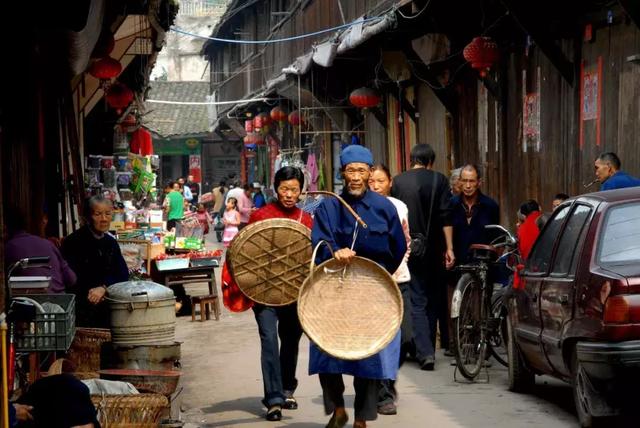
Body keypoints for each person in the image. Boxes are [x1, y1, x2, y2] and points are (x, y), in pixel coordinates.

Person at [311, 145, 406, 428]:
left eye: (361, 171)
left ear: (369, 173)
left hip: (370, 292)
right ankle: (338, 409)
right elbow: (319, 240)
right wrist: (335, 251)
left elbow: (398, 247)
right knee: (325, 351)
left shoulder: (384, 207)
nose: (355, 177)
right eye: (350, 171)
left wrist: (378, 277)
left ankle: (361, 419)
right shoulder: (328, 206)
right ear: (342, 173)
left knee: (368, 356)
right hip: (333, 291)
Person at [246, 166, 313, 422]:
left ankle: (287, 389)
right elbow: (246, 253)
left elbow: (312, 255)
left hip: (294, 292)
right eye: (284, 189)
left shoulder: (305, 220)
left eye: (294, 189)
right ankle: (273, 399)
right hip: (263, 292)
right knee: (269, 341)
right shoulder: (260, 216)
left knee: (291, 340)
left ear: (300, 191)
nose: (289, 194)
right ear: (276, 189)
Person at [391, 143, 454, 370]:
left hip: (408, 247)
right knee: (431, 297)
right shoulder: (440, 180)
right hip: (434, 247)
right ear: (430, 161)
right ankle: (424, 347)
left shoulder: (398, 182)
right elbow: (446, 216)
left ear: (411, 159)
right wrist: (449, 248)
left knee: (414, 295)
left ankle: (421, 349)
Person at [368, 164, 412, 416]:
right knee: (379, 340)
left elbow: (406, 241)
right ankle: (383, 393)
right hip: (373, 284)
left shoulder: (399, 207)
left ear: (390, 182)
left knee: (405, 338)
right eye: (371, 181)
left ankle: (388, 379)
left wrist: (398, 263)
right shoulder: (360, 208)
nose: (375, 186)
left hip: (399, 279)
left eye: (380, 181)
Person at [450, 164, 499, 360]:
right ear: (459, 182)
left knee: (480, 305)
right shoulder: (451, 204)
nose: (468, 185)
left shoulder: (490, 205)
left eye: (472, 181)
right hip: (458, 260)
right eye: (465, 181)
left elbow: (494, 235)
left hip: (482, 262)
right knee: (457, 305)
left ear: (479, 183)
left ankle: (481, 344)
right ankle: (459, 345)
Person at [61, 196, 129, 328]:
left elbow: (122, 273)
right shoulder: (73, 242)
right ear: (87, 217)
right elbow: (70, 278)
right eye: (97, 214)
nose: (103, 219)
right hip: (81, 308)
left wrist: (104, 288)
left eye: (108, 214)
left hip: (108, 306)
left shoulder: (111, 243)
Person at [4, 207, 77, 294]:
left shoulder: (7, 248)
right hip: (59, 302)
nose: (44, 222)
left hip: (30, 303)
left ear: (4, 228)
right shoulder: (48, 244)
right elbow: (71, 279)